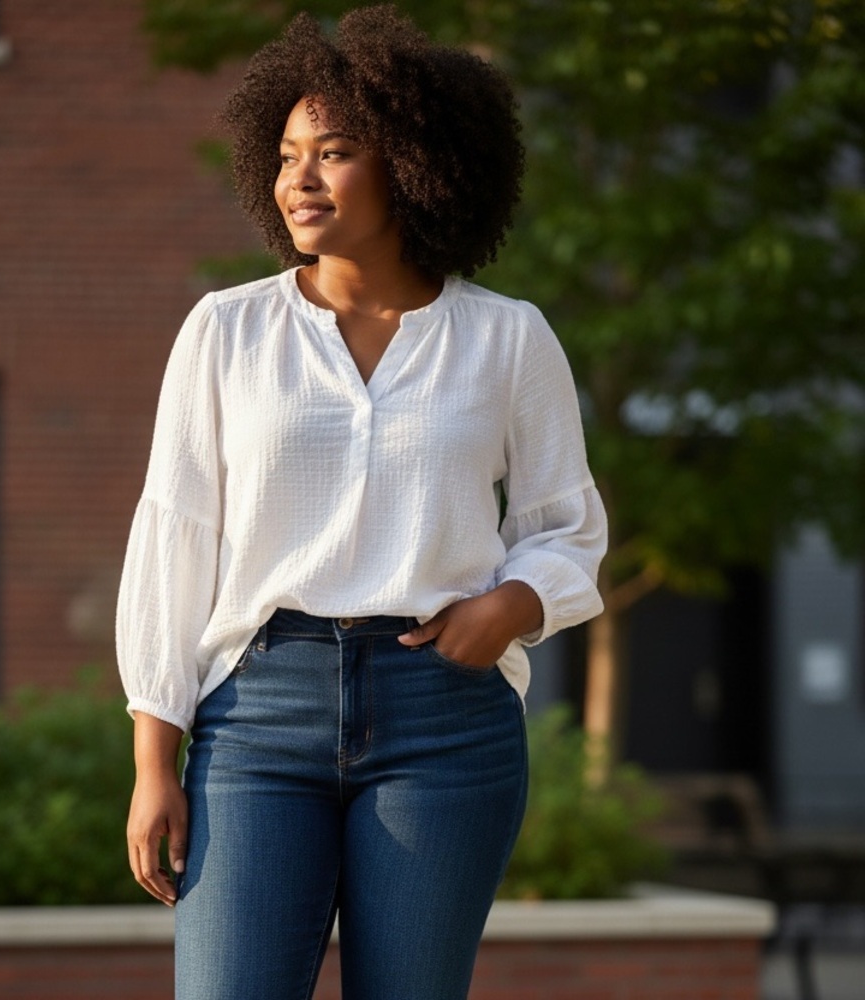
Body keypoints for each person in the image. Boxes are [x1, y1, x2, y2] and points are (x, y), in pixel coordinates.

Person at [116, 6, 606, 999]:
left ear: (414, 163)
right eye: (288, 153)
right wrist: (152, 757)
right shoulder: (226, 330)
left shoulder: (508, 339)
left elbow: (567, 528)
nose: (298, 176)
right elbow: (174, 539)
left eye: (332, 152)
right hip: (257, 713)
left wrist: (510, 606)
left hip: (445, 719)